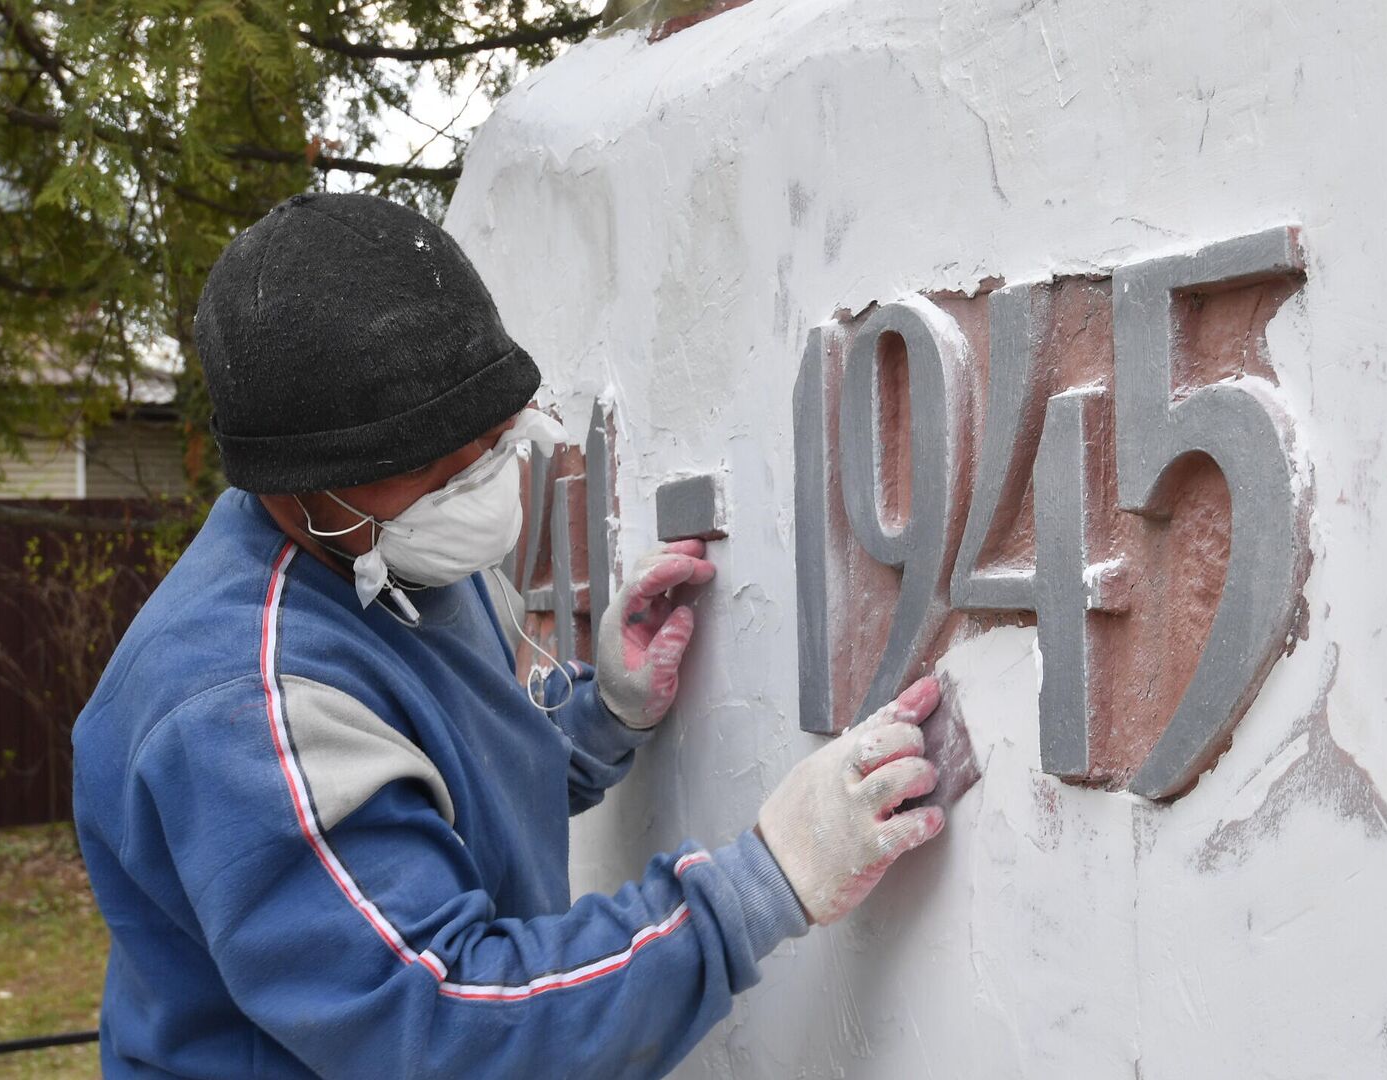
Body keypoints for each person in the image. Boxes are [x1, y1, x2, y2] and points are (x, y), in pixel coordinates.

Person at [72, 192, 947, 1078]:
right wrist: (767, 884)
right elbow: (441, 1027)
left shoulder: (389, 554)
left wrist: (602, 716)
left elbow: (450, 790)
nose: (483, 488)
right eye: (434, 472)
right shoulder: (244, 714)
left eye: (493, 441)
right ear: (296, 487)